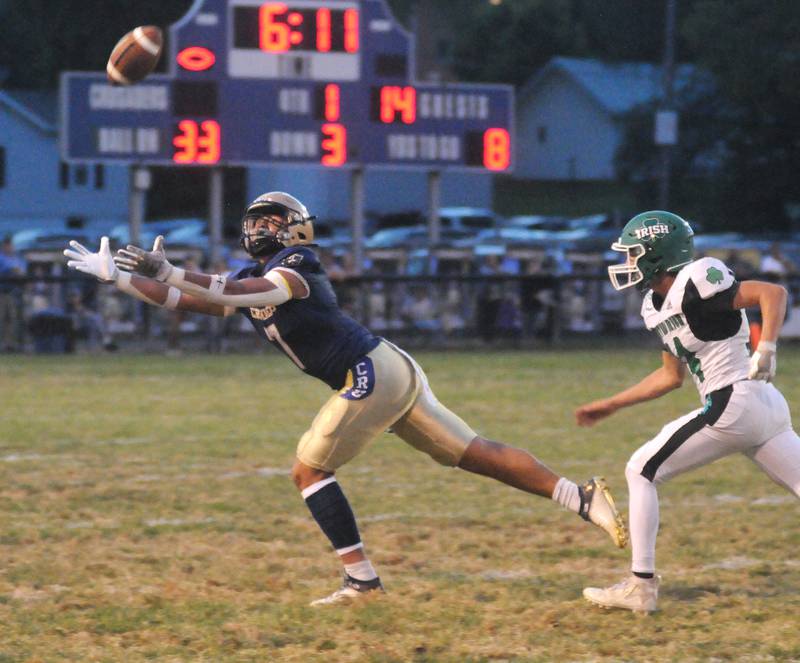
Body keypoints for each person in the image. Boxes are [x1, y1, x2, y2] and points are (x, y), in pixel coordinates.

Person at [64, 191, 626, 606]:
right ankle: (580, 497)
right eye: (254, 220)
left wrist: (174, 269)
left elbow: (234, 293)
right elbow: (193, 300)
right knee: (472, 452)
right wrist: (116, 276)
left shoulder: (297, 266)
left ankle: (361, 580)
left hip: (369, 371)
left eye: (270, 220)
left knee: (309, 471)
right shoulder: (253, 272)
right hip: (388, 367)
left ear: (293, 231)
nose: (259, 227)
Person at [575, 210, 800, 613]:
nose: (628, 262)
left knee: (641, 469)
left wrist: (767, 346)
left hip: (735, 401)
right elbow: (669, 378)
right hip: (762, 407)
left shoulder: (699, 278)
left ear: (656, 254)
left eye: (634, 253)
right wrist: (609, 404)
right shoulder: (654, 304)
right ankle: (640, 587)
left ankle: (640, 586)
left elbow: (773, 294)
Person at [0, 235, 26, 352]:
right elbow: (10, 269)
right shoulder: (1, 257)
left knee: (11, 318)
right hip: (1, 292)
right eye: (8, 245)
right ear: (4, 246)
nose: (10, 247)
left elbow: (22, 270)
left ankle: (9, 344)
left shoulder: (16, 258)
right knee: (2, 318)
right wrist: (15, 270)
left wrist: (17, 270)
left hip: (13, 292)